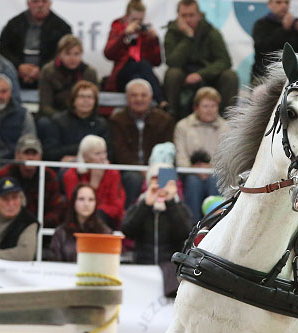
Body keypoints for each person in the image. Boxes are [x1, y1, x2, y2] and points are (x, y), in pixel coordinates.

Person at [163, 0, 239, 119]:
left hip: (207, 74)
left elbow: (224, 61)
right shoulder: (172, 33)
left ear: (199, 15)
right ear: (178, 16)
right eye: (184, 16)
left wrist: (201, 74)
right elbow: (172, 62)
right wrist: (188, 37)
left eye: (191, 15)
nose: (188, 19)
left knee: (230, 76)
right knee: (172, 74)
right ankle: (170, 117)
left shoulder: (211, 32)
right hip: (183, 74)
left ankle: (228, 120)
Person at [109, 78, 176, 206]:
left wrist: (153, 169)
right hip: (129, 168)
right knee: (133, 178)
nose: (139, 99)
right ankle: (130, 218)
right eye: (134, 95)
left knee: (168, 178)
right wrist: (141, 169)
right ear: (127, 98)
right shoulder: (117, 120)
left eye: (143, 95)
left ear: (150, 97)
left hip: (158, 166)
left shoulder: (164, 120)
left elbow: (168, 149)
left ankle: (167, 219)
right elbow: (120, 151)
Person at [121, 163, 192, 265]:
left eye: (165, 181)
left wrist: (171, 202)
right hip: (143, 266)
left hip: (170, 269)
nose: (160, 185)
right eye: (155, 179)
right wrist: (145, 205)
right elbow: (127, 230)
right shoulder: (141, 203)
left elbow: (185, 233)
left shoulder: (178, 206)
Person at [0, 135, 67, 228]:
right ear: (17, 155)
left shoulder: (49, 176)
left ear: (40, 156)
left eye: (34, 153)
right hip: (8, 225)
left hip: (40, 227)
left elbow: (56, 208)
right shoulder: (4, 174)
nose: (30, 157)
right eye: (26, 153)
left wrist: (38, 224)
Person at [174, 87, 227, 220]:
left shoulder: (227, 127)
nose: (209, 109)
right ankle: (192, 227)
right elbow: (180, 156)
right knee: (193, 182)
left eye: (213, 105)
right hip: (189, 172)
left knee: (213, 180)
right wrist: (193, 169)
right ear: (196, 108)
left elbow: (228, 157)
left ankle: (215, 224)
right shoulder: (183, 126)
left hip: (216, 172)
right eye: (205, 106)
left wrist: (210, 169)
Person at [0, 0, 72, 90]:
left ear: (50, 3)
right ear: (28, 4)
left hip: (51, 79)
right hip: (14, 78)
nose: (40, 5)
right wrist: (18, 66)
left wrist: (41, 69)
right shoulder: (13, 24)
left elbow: (63, 54)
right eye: (35, 1)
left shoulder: (63, 28)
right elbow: (3, 50)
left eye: (44, 1)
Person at [104, 0, 163, 103]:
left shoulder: (145, 34)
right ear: (126, 17)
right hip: (122, 73)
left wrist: (154, 40)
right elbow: (108, 54)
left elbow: (157, 62)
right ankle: (160, 101)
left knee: (139, 75)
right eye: (134, 20)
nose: (137, 24)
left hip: (141, 76)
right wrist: (124, 35)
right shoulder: (118, 28)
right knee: (142, 65)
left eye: (140, 20)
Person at [63, 135, 126, 228]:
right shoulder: (71, 174)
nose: (103, 157)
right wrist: (93, 186)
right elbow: (73, 204)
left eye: (104, 152)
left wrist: (97, 210)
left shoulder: (113, 172)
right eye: (97, 154)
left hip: (107, 220)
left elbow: (117, 207)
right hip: (78, 219)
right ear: (85, 157)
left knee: (100, 216)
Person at [38, 80, 109, 162]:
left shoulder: (101, 124)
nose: (86, 101)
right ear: (73, 100)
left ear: (95, 101)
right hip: (65, 169)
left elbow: (108, 153)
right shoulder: (58, 121)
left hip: (94, 168)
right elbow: (49, 153)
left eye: (90, 97)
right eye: (82, 96)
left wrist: (81, 157)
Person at [0, 178, 38, 260]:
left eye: (15, 198)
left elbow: (25, 254)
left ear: (21, 199)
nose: (11, 203)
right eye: (5, 199)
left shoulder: (28, 222)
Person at [252, 0, 298, 83]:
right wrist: (284, 29)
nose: (284, 6)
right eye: (278, 2)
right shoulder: (261, 24)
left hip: (295, 75)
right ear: (269, 5)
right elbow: (263, 50)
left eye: (287, 2)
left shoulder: (296, 26)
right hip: (265, 74)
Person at [48, 184, 113, 262]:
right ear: (73, 202)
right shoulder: (61, 233)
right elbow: (54, 263)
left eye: (91, 199)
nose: (86, 204)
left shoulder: (105, 233)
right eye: (81, 199)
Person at [37, 34, 97, 118]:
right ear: (59, 54)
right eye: (68, 54)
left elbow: (94, 102)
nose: (72, 58)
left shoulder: (89, 73)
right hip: (55, 117)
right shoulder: (48, 71)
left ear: (81, 54)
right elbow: (45, 106)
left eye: (76, 54)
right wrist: (64, 119)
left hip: (81, 116)